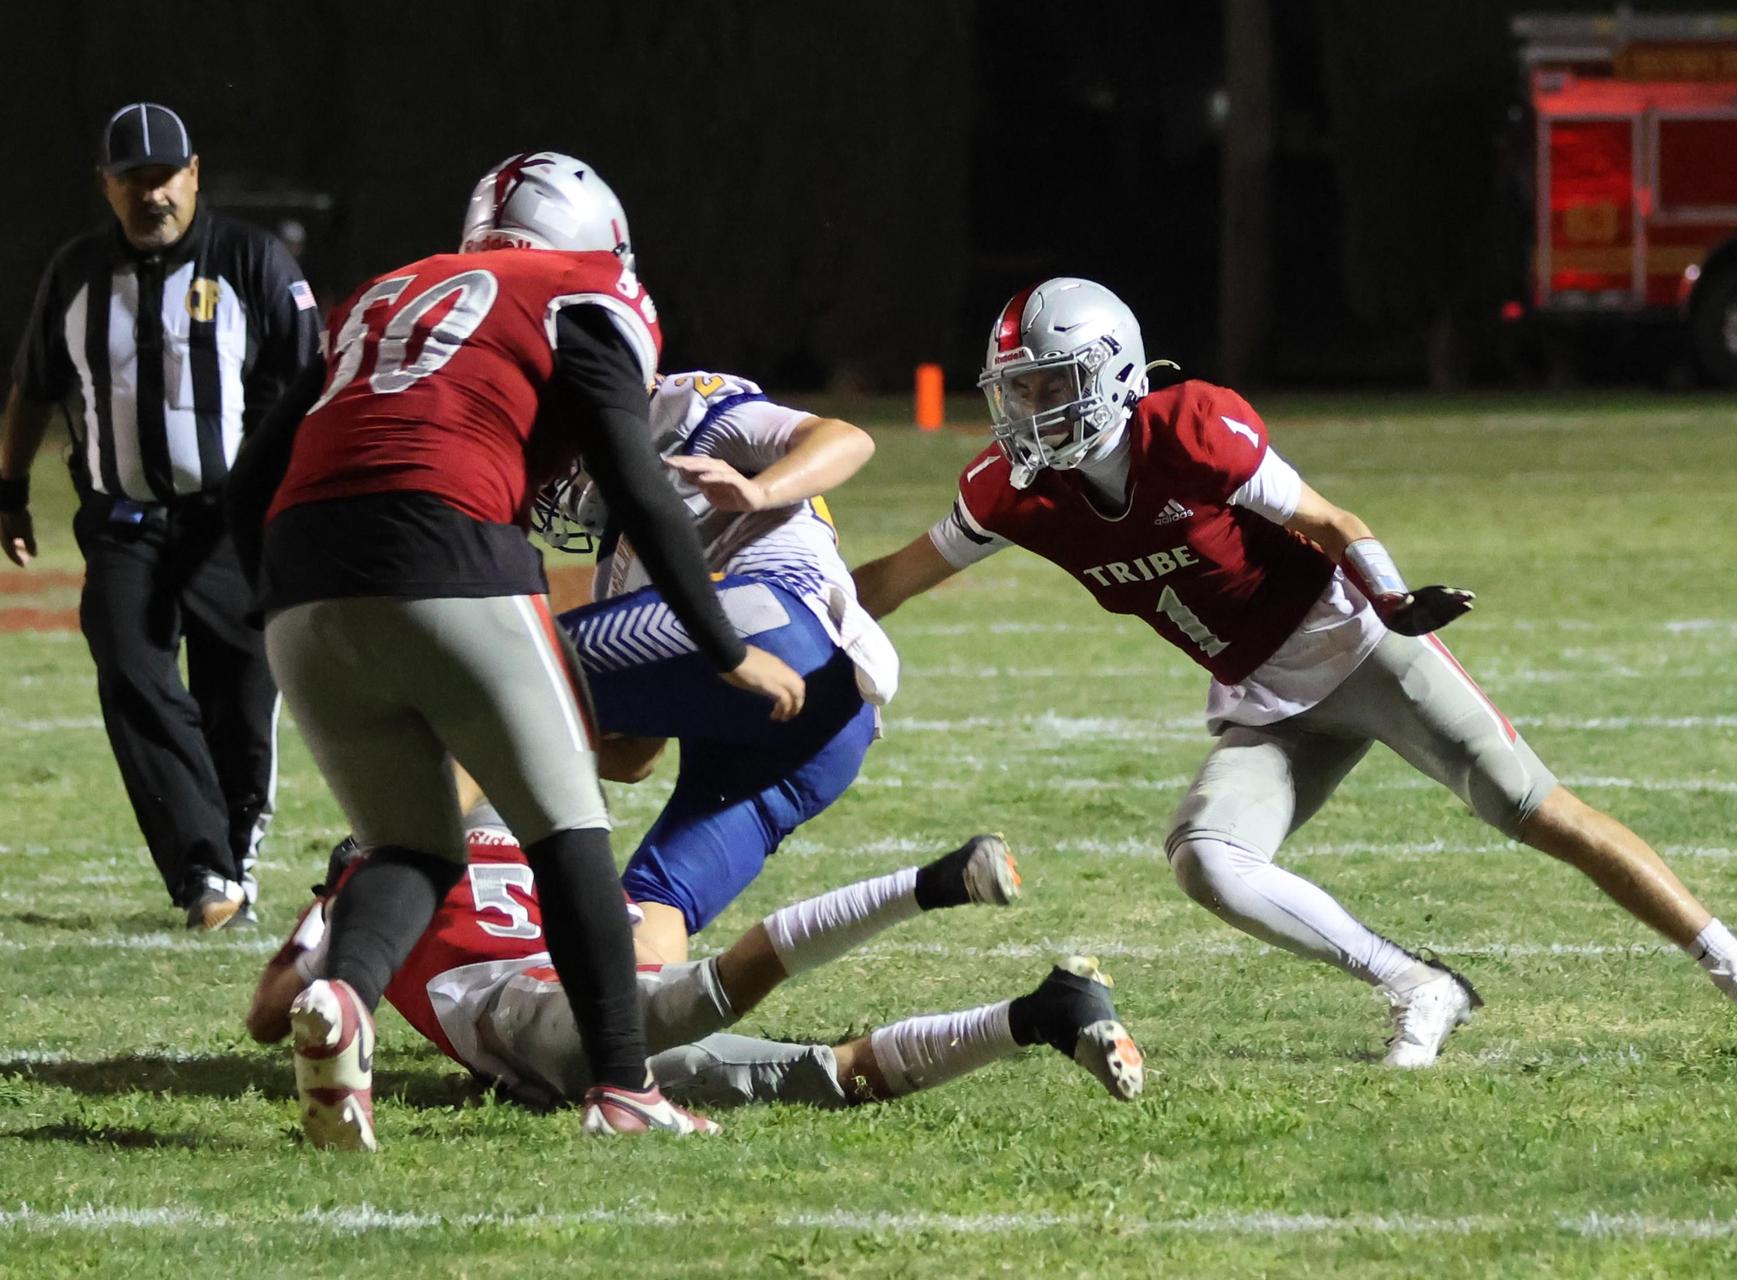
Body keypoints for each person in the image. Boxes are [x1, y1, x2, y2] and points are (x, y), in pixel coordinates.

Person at [851, 276, 1737, 1067]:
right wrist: (791, 618)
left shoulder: (1189, 429)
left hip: (1354, 640)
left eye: (1045, 384)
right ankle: (1417, 983)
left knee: (1533, 805)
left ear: (1109, 375)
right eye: (1014, 389)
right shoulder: (1014, 494)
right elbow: (891, 580)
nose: (1024, 410)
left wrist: (1392, 597)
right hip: (1267, 699)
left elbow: (1329, 523)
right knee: (1208, 859)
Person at [223, 151, 807, 1150]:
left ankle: (346, 1003)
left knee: (408, 844)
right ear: (597, 238)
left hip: (299, 578)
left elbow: (249, 481)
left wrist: (276, 601)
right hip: (448, 544)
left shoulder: (387, 290)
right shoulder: (588, 288)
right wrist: (723, 647)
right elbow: (633, 473)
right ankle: (624, 1087)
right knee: (567, 818)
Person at [244, 809, 1142, 1118]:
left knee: (709, 992)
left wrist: (321, 917)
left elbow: (269, 1015)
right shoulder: (528, 849)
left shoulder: (368, 881)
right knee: (828, 1079)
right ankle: (1043, 1014)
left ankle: (936, 882)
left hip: (528, 1017)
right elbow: (641, 947)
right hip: (580, 1015)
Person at [0, 103, 319, 930]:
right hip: (124, 524)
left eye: (166, 176)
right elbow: (34, 388)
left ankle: (233, 851)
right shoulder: (73, 275)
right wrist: (8, 491)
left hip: (232, 522)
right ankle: (205, 871)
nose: (153, 195)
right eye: (134, 180)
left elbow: (313, 378)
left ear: (195, 174)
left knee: (240, 699)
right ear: (107, 188)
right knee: (134, 676)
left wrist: (302, 498)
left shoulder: (252, 260)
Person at [537, 368, 898, 964]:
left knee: (506, 675)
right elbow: (634, 758)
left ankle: (380, 870)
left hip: (780, 623)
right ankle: (633, 1051)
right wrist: (523, 745)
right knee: (656, 900)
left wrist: (759, 490)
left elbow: (847, 438)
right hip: (832, 730)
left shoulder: (691, 417)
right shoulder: (617, 564)